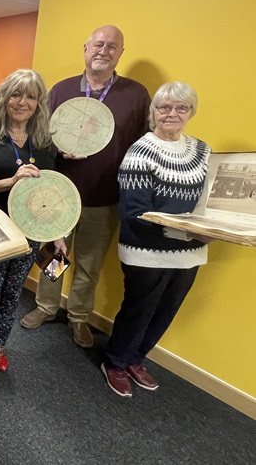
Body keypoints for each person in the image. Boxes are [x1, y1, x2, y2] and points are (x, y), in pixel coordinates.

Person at [20, 25, 151, 349]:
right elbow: (40, 139)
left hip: (104, 197)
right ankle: (46, 307)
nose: (103, 51)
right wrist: (56, 149)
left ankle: (78, 318)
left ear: (121, 53)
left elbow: (142, 145)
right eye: (98, 44)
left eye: (112, 46)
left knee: (89, 264)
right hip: (59, 194)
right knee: (52, 255)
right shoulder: (60, 90)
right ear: (85, 48)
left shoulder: (136, 95)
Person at [101, 82, 211, 397]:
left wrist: (212, 231)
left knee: (167, 309)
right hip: (145, 251)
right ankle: (115, 362)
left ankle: (137, 357)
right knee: (140, 308)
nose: (172, 113)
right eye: (164, 107)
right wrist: (189, 231)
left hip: (191, 252)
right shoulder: (140, 152)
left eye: (181, 107)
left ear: (191, 112)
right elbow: (133, 212)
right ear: (154, 112)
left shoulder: (204, 152)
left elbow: (211, 200)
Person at [0, 69, 65, 406]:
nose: (22, 102)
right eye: (16, 94)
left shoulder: (44, 142)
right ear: (4, 98)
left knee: (11, 297)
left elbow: (54, 192)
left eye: (30, 96)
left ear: (39, 103)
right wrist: (11, 181)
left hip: (31, 235)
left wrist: (58, 235)